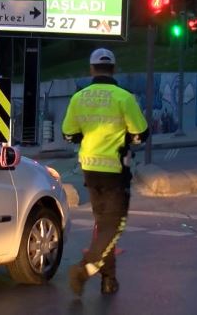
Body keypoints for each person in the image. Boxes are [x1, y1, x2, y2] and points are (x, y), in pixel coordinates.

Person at [62, 47, 149, 296]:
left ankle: (109, 280)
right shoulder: (124, 98)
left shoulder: (79, 98)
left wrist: (84, 135)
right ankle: (85, 269)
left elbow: (68, 134)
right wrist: (129, 138)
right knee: (114, 226)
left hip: (90, 170)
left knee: (104, 225)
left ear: (91, 69)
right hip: (115, 171)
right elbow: (141, 133)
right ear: (114, 69)